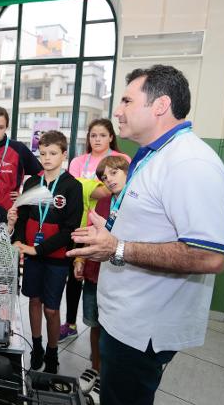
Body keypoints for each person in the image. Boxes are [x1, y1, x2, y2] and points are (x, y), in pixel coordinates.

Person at [67, 65, 224, 405]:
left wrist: (118, 247)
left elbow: (209, 256)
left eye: (127, 100)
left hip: (144, 329)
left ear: (160, 105)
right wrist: (107, 234)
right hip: (123, 316)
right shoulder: (150, 156)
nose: (118, 111)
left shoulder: (190, 163)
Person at [12, 130, 82, 374]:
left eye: (53, 153)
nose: (47, 158)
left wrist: (37, 248)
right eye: (42, 153)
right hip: (32, 255)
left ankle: (53, 352)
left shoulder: (72, 186)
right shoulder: (32, 182)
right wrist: (19, 240)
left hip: (55, 257)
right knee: (33, 300)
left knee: (51, 308)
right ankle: (37, 346)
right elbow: (22, 217)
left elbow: (69, 229)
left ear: (64, 154)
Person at [60, 119, 131, 342]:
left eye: (102, 135)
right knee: (76, 276)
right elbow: (73, 190)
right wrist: (91, 190)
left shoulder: (123, 160)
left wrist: (88, 188)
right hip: (79, 226)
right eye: (93, 135)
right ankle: (71, 323)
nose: (97, 139)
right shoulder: (79, 160)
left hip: (110, 228)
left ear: (111, 136)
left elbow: (105, 194)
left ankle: (110, 330)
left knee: (105, 280)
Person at [73, 155, 130, 402]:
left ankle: (107, 376)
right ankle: (95, 368)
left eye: (115, 173)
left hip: (122, 277)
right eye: (105, 177)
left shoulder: (135, 204)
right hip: (96, 274)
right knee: (95, 325)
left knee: (112, 331)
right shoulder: (104, 203)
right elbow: (91, 234)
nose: (110, 179)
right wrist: (81, 260)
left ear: (128, 173)